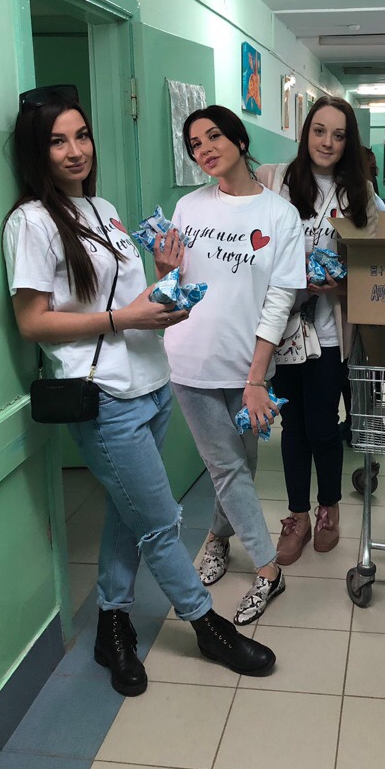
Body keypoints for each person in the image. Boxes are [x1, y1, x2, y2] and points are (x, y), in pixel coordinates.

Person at [2, 85, 276, 697]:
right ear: (36, 152)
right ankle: (207, 626)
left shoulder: (101, 209)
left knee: (129, 514)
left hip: (151, 384)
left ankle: (112, 624)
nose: (76, 151)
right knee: (159, 521)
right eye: (58, 141)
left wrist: (164, 281)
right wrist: (125, 319)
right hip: (103, 397)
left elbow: (124, 300)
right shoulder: (32, 222)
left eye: (81, 135)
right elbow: (33, 321)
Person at [158, 106, 306, 625]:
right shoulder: (188, 207)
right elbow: (174, 285)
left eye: (214, 136)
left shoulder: (279, 216)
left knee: (240, 462)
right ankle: (268, 568)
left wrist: (256, 378)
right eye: (194, 144)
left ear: (240, 140)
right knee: (226, 466)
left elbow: (279, 300)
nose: (204, 149)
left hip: (248, 366)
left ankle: (219, 538)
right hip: (189, 359)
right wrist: (163, 268)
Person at [256, 96, 378, 565]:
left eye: (339, 135)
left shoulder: (360, 194)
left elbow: (379, 265)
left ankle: (329, 509)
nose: (327, 142)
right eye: (319, 131)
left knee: (324, 427)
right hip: (281, 329)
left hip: (328, 331)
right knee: (292, 428)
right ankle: (297, 516)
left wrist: (341, 284)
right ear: (305, 132)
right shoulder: (275, 181)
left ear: (349, 142)